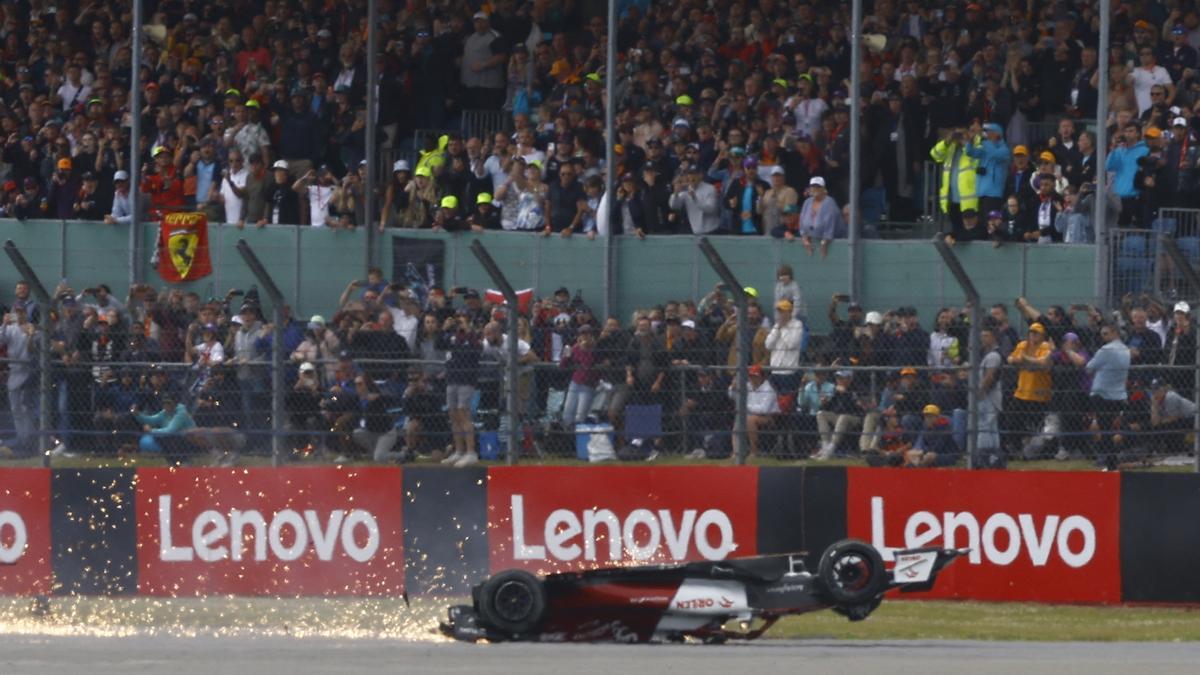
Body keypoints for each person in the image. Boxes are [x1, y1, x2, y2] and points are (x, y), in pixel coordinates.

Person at [1086, 323, 1131, 470]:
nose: (1102, 337)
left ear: (1114, 333)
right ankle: (1111, 462)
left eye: (1105, 333)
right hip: (1118, 394)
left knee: (1105, 431)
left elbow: (1089, 368)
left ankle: (1111, 464)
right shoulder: (1126, 350)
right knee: (1110, 430)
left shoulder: (1106, 350)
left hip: (1102, 394)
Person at [1007, 322, 1053, 458]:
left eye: (1036, 333)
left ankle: (1034, 451)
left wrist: (1025, 359)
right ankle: (1016, 448)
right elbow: (1010, 359)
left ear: (1042, 335)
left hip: (1039, 394)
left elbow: (1043, 363)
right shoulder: (1023, 345)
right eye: (1031, 332)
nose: (1033, 335)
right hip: (1022, 392)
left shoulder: (1045, 346)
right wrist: (1028, 361)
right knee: (1013, 420)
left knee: (1036, 424)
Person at [929, 126, 980, 239]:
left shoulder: (976, 145)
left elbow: (977, 159)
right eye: (957, 134)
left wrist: (966, 142)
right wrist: (947, 141)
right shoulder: (951, 148)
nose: (959, 137)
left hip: (969, 202)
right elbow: (935, 154)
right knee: (956, 233)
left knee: (970, 234)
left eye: (962, 133)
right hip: (952, 199)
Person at [730, 364, 779, 458]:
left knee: (750, 420)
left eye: (755, 376)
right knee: (739, 420)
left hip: (769, 417)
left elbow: (764, 409)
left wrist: (745, 406)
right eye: (751, 376)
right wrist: (733, 388)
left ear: (761, 377)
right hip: (751, 415)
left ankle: (754, 451)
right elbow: (732, 396)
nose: (752, 379)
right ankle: (736, 453)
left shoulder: (768, 389)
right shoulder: (748, 386)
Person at [134, 397, 198, 465]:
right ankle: (172, 462)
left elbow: (170, 430)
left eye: (169, 403)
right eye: (165, 403)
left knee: (167, 438)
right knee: (162, 438)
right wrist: (138, 415)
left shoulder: (181, 413)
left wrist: (151, 430)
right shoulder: (165, 412)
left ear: (174, 404)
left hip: (190, 440)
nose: (166, 406)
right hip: (175, 439)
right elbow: (152, 420)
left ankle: (185, 461)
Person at [975, 327, 1004, 468]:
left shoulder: (994, 355)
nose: (983, 339)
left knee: (984, 427)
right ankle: (994, 458)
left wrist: (981, 392)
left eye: (986, 335)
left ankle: (984, 457)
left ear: (993, 337)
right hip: (988, 397)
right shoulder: (988, 355)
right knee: (991, 429)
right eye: (982, 336)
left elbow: (990, 375)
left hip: (988, 397)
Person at [797, 176, 842, 258]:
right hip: (812, 245)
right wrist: (805, 240)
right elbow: (802, 225)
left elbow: (829, 230)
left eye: (818, 187)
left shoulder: (829, 203)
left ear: (823, 189)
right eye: (812, 186)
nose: (815, 189)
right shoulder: (807, 202)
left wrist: (823, 244)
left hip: (834, 247)